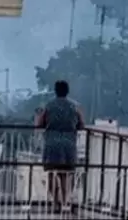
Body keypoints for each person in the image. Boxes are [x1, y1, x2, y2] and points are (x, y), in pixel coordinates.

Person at [36, 79, 85, 211]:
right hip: (68, 144)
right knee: (65, 174)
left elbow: (39, 124)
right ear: (67, 91)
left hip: (52, 143)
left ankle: (55, 202)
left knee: (52, 173)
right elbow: (81, 124)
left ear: (56, 91)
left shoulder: (49, 105)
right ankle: (65, 201)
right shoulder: (74, 106)